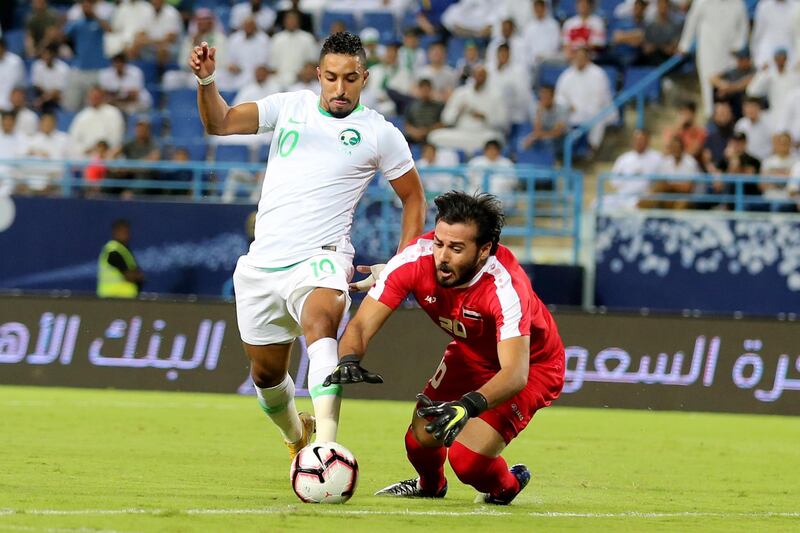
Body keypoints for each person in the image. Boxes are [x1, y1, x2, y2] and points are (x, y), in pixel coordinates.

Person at [190, 31, 426, 458]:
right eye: (332, 77)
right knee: (266, 376)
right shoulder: (289, 107)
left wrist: (399, 264)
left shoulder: (379, 133)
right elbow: (219, 123)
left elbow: (413, 198)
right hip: (263, 264)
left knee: (321, 326)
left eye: (350, 79)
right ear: (319, 74)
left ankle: (327, 449)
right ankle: (296, 436)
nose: (340, 88)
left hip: (323, 256)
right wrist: (207, 82)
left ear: (365, 78)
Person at [325, 191, 565, 505]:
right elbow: (360, 326)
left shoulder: (506, 287)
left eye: (456, 248)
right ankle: (431, 485)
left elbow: (515, 373)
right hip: (471, 353)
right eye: (439, 243)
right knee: (421, 437)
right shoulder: (415, 260)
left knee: (468, 463)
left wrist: (468, 405)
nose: (442, 256)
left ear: (484, 250)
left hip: (531, 365)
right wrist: (350, 358)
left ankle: (507, 485)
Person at [678, 0, 749, 117]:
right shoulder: (701, 2)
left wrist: (739, 46)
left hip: (730, 51)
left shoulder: (737, 3)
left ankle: (732, 114)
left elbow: (743, 27)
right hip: (708, 49)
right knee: (708, 80)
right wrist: (684, 45)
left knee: (730, 82)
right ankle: (711, 113)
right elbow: (692, 22)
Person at [97, 219, 145, 298]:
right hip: (113, 299)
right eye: (121, 231)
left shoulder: (124, 250)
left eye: (126, 231)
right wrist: (137, 276)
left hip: (124, 299)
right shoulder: (112, 250)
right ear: (115, 232)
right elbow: (128, 275)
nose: (125, 234)